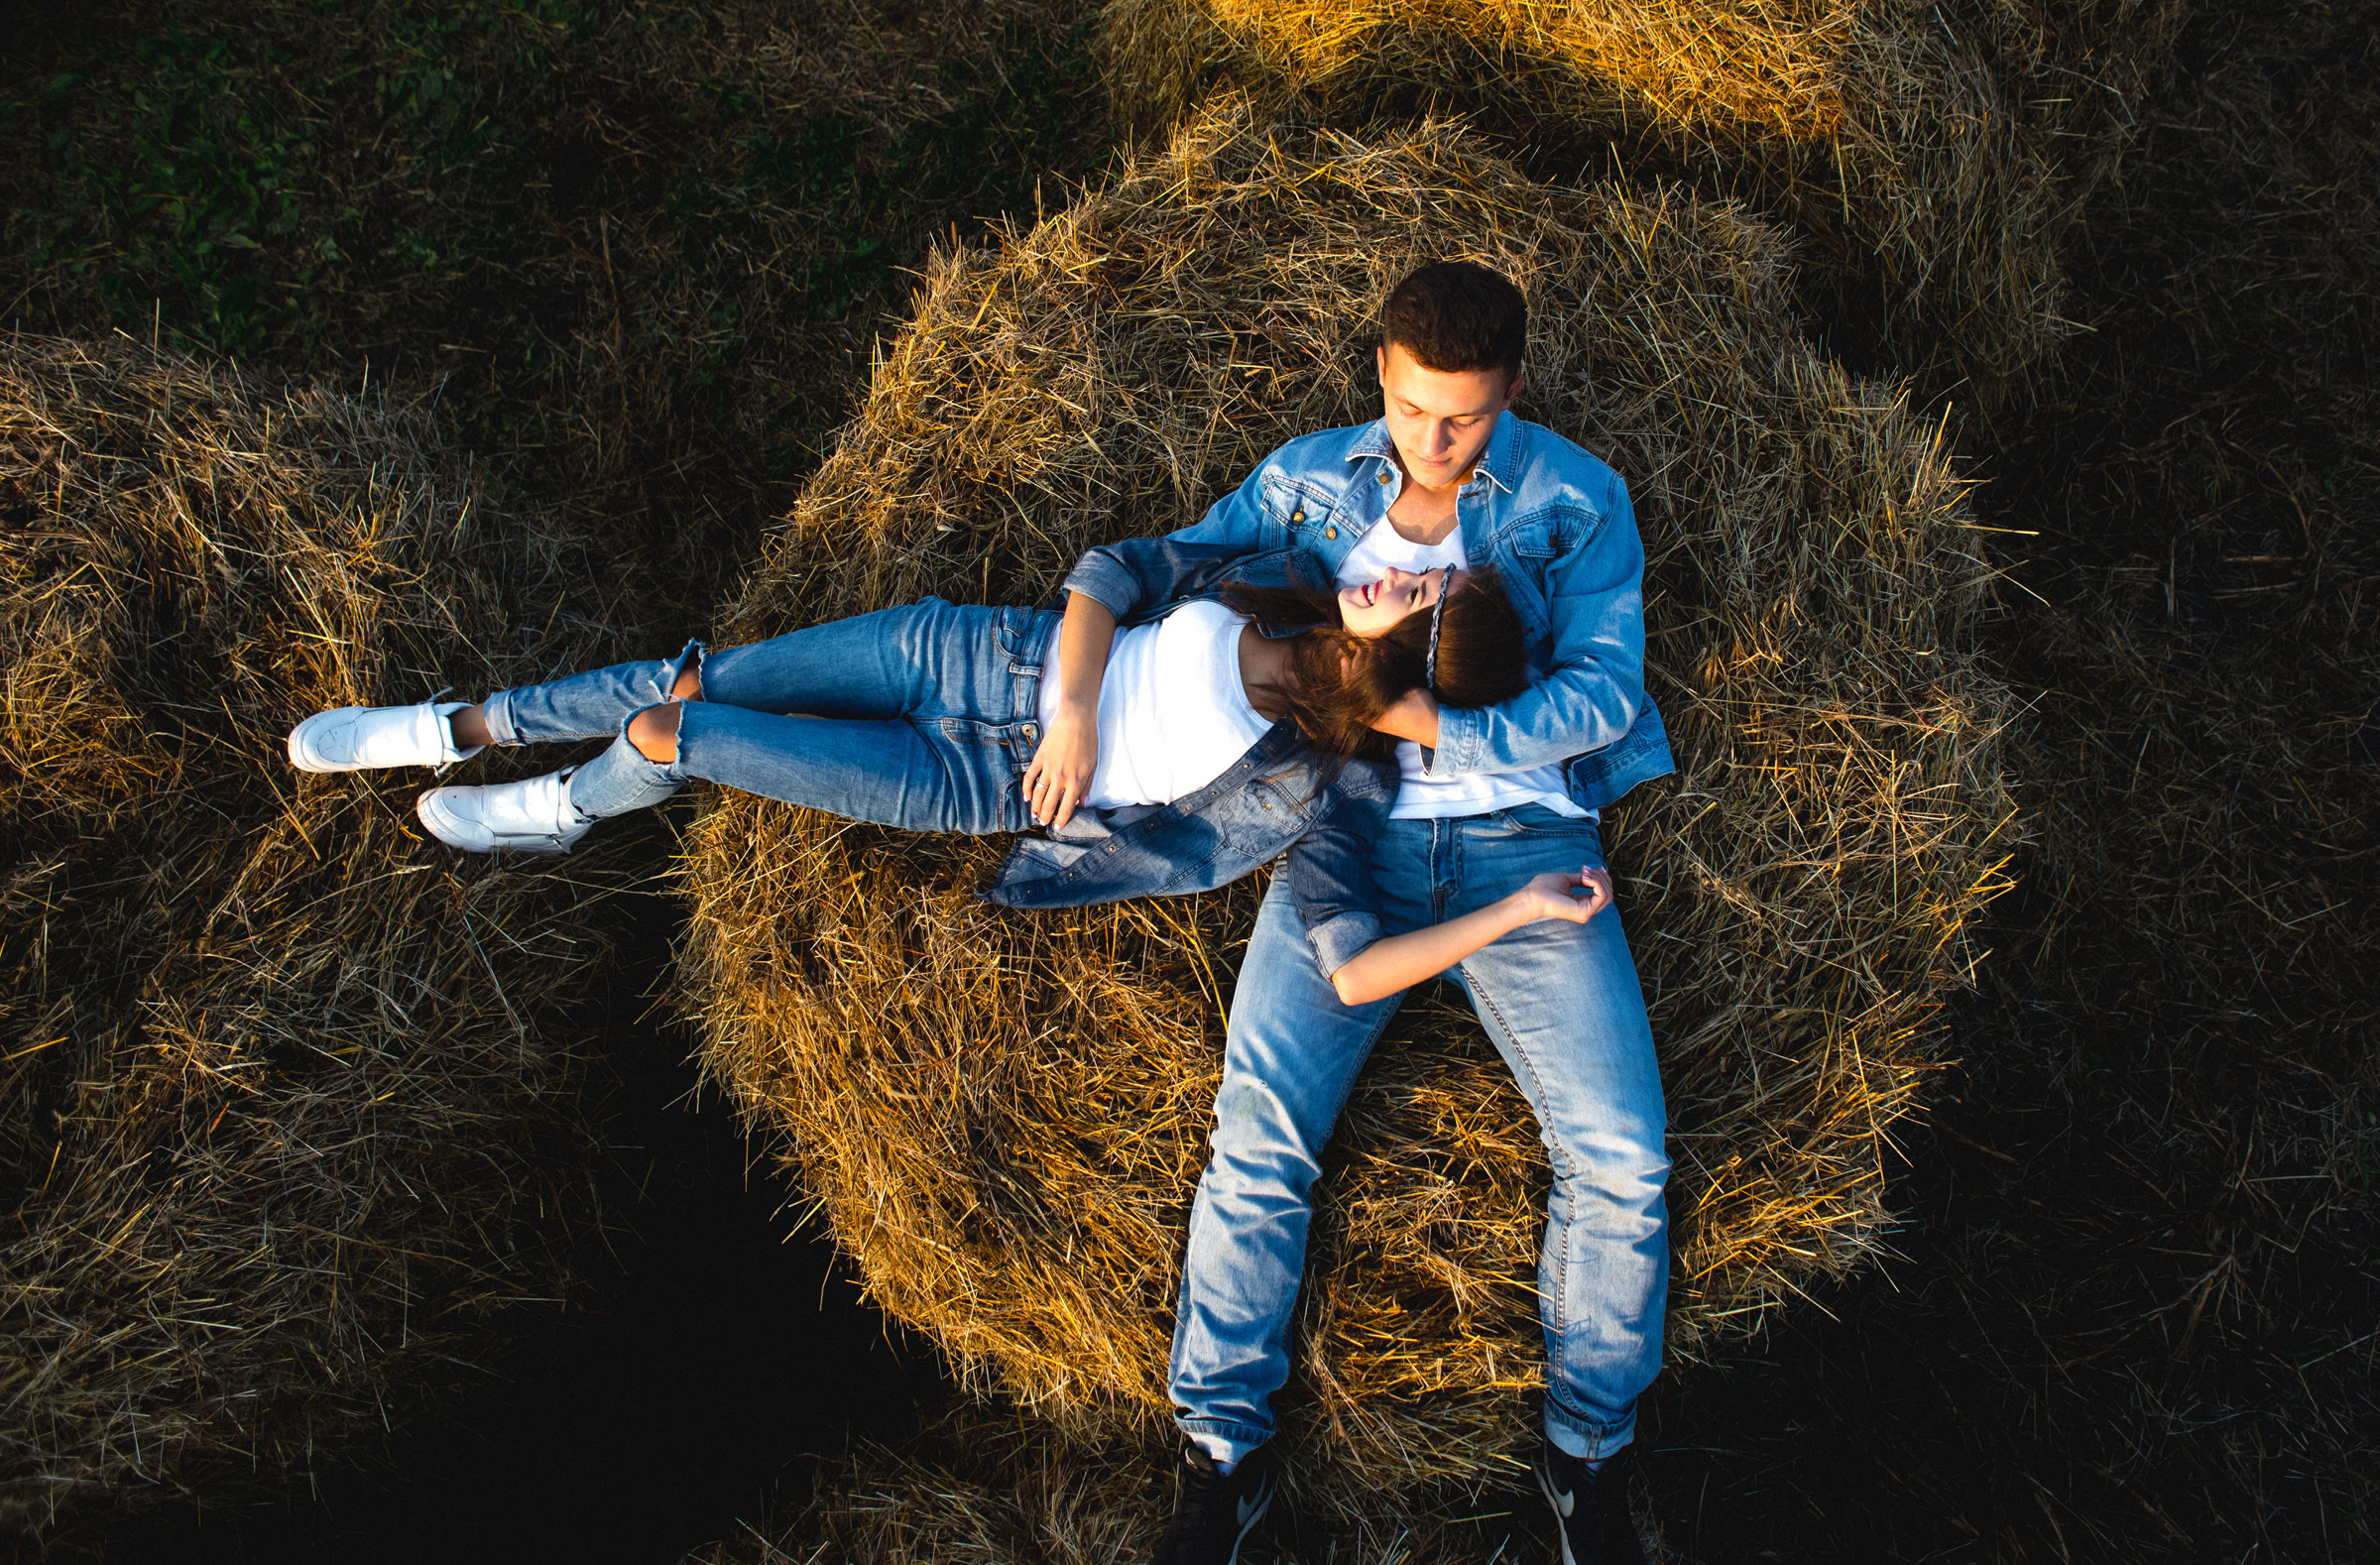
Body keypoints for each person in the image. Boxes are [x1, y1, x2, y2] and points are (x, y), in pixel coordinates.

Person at [1121, 262, 1676, 1565]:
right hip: (1342, 831)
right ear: (1381, 373)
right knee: (1258, 1130)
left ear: (1513, 394)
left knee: (1624, 1154)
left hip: (1525, 839)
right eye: (1419, 408)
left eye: (1470, 417)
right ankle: (1222, 1460)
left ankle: (1585, 1463)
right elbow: (1188, 570)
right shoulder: (1309, 477)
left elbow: (1602, 694)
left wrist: (1444, 723)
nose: (1439, 439)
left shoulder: (1574, 497)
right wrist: (1118, 648)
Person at [285, 539, 1615, 1013]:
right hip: (967, 653)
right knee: (693, 678)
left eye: (1424, 595)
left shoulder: (1312, 783)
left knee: (672, 735)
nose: (1407, 568)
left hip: (956, 779)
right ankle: (456, 723)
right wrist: (1076, 716)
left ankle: (558, 813)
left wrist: (1517, 911)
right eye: (1430, 567)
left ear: (1410, 677)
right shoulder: (1281, 572)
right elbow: (1109, 572)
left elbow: (1347, 958)